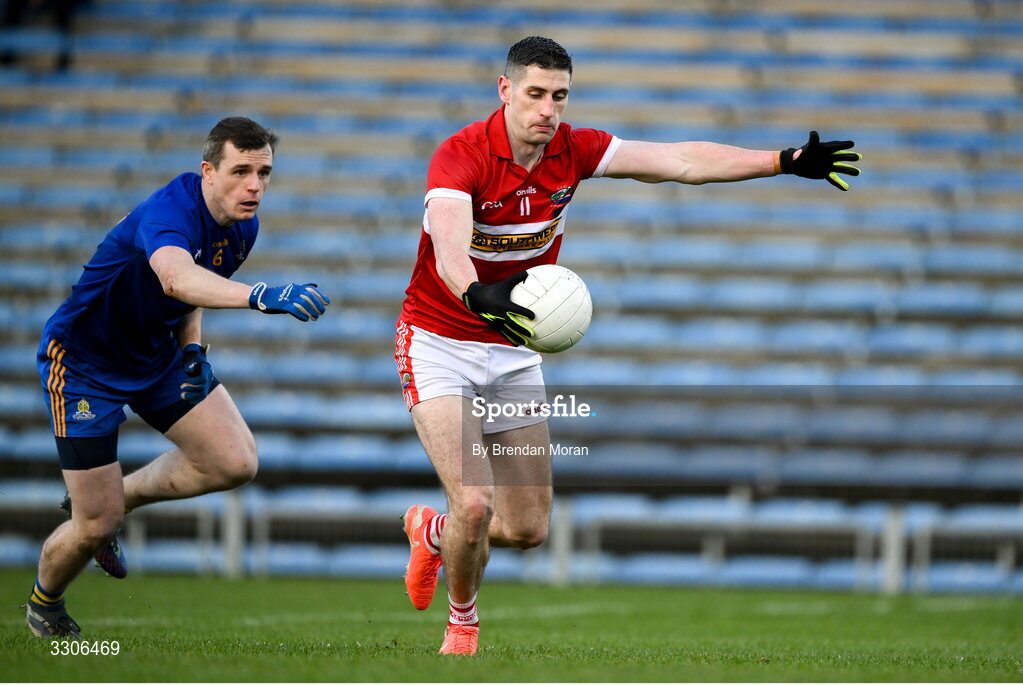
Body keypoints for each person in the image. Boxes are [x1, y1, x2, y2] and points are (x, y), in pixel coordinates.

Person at [394, 36, 861, 655]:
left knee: (527, 529)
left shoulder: (575, 150)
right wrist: (475, 292)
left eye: (559, 96)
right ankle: (463, 627)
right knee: (475, 504)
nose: (547, 110)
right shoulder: (461, 156)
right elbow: (451, 248)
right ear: (504, 90)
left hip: (510, 352)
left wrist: (781, 159)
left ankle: (431, 534)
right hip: (439, 342)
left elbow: (683, 162)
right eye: (534, 94)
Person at [25, 116, 331, 639]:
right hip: (83, 365)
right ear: (207, 170)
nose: (254, 185)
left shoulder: (242, 223)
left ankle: (120, 497)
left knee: (234, 462)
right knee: (93, 522)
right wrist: (260, 295)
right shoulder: (171, 211)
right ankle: (44, 606)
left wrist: (193, 351)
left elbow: (194, 292)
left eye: (264, 172)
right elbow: (176, 275)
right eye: (241, 171)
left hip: (156, 357)